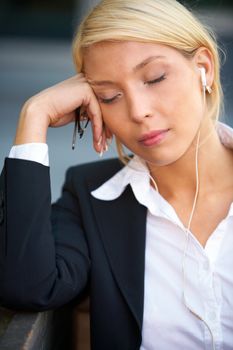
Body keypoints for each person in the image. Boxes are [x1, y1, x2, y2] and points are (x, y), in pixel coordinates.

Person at [0, 0, 232, 349]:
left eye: (155, 78)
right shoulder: (90, 195)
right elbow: (27, 287)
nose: (139, 111)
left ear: (204, 68)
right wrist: (35, 116)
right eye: (109, 97)